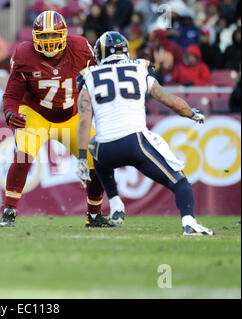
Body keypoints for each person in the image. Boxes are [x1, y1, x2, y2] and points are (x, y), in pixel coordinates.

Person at [75, 31, 215, 235]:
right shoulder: (139, 67)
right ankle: (189, 222)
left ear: (100, 53)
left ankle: (115, 204)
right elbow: (165, 98)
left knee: (95, 144)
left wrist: (80, 158)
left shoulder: (88, 75)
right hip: (135, 143)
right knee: (180, 181)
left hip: (106, 150)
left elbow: (84, 120)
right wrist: (191, 113)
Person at [0, 10, 109, 228]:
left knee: (99, 160)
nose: (49, 41)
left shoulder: (80, 48)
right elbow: (11, 95)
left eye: (53, 35)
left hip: (71, 116)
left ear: (64, 35)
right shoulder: (24, 54)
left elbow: (97, 80)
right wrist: (10, 113)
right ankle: (9, 211)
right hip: (36, 113)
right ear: (35, 37)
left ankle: (94, 215)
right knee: (23, 155)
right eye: (44, 36)